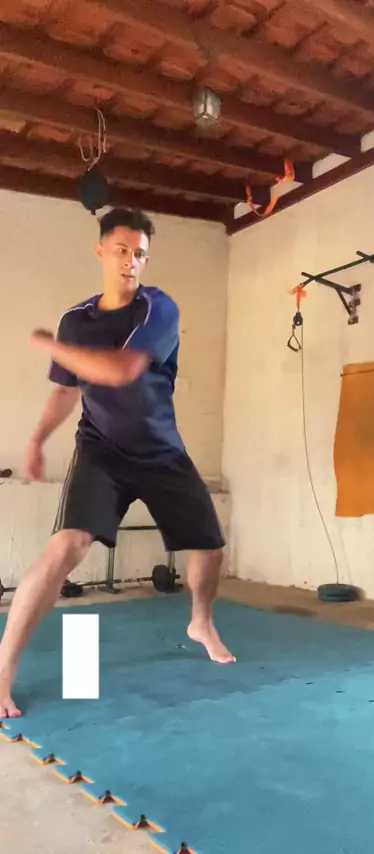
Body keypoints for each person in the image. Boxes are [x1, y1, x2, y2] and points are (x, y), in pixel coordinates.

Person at [0, 207, 235, 720]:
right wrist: (37, 440)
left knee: (211, 547)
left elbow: (122, 370)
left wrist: (51, 346)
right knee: (65, 547)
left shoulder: (159, 308)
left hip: (162, 451)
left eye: (140, 254)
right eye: (122, 251)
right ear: (101, 251)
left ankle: (200, 620)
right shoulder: (75, 321)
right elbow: (67, 391)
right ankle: (2, 671)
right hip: (101, 450)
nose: (131, 261)